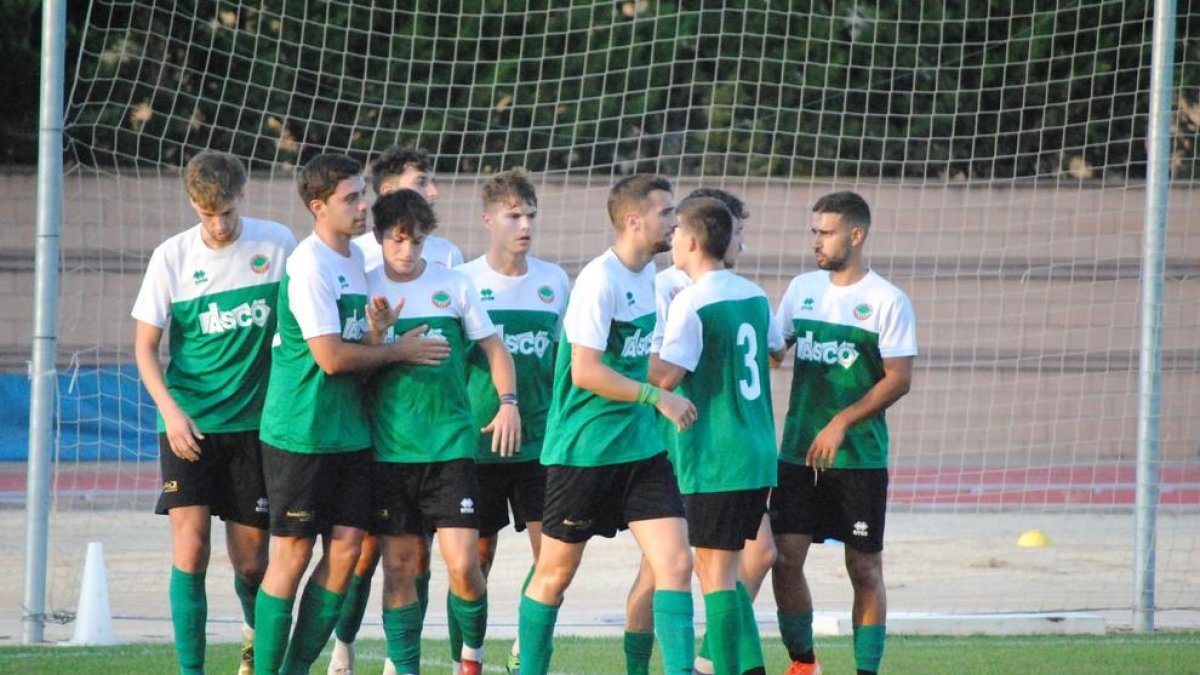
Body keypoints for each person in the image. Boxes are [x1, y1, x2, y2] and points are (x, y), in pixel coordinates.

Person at [252, 153, 450, 675]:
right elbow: (332, 358)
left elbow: (356, 346)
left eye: (364, 193)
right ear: (318, 206)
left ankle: (295, 670)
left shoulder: (355, 266)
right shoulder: (309, 264)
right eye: (351, 198)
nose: (365, 205)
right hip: (301, 433)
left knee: (344, 557)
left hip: (350, 435)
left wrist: (380, 332)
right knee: (290, 559)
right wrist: (398, 350)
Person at [517, 174, 698, 675]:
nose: (676, 221)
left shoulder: (649, 278)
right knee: (554, 575)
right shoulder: (600, 280)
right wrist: (656, 395)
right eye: (666, 213)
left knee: (677, 564)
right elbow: (586, 371)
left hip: (638, 450)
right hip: (584, 452)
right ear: (636, 221)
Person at [132, 150, 297, 675]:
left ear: (240, 197)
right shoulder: (171, 257)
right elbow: (144, 348)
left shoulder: (276, 245)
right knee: (191, 547)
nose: (220, 224)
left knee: (252, 563)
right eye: (208, 215)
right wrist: (171, 413)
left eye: (226, 211)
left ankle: (254, 644)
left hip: (255, 427)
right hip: (189, 425)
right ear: (193, 205)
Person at [364, 188, 521, 675]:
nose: (407, 252)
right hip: (389, 452)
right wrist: (380, 334)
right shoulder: (365, 288)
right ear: (380, 239)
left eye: (416, 241)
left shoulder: (453, 285)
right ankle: (403, 666)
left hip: (451, 447)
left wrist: (508, 403)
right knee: (400, 568)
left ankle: (470, 658)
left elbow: (495, 349)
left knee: (464, 569)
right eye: (396, 241)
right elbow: (352, 369)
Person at [624, 188, 780, 675]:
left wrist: (616, 359)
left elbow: (666, 376)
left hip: (712, 453)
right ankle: (742, 668)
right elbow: (774, 348)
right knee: (724, 571)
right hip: (756, 449)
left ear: (689, 242)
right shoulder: (754, 293)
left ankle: (720, 669)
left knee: (713, 574)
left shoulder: (691, 302)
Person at [770, 191, 917, 675]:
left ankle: (866, 671)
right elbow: (774, 351)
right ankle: (804, 663)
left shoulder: (887, 301)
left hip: (859, 458)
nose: (817, 241)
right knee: (784, 560)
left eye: (826, 232)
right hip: (797, 453)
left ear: (856, 235)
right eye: (814, 232)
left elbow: (898, 378)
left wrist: (841, 421)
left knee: (864, 568)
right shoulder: (802, 289)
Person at [330, 144, 456, 675]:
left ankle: (398, 659)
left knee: (415, 554)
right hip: (368, 431)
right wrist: (385, 340)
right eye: (420, 182)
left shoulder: (444, 256)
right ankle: (343, 646)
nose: (432, 191)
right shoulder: (356, 258)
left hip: (426, 433)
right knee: (361, 551)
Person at [456, 169, 570, 674]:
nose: (525, 224)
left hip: (541, 445)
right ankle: (470, 656)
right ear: (488, 220)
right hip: (477, 445)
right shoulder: (466, 282)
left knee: (553, 561)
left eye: (530, 215)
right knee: (473, 561)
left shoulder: (554, 281)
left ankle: (527, 652)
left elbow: (565, 362)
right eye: (514, 215)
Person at [352, 145, 463, 270]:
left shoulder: (447, 254)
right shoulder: (357, 254)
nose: (433, 192)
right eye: (420, 182)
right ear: (388, 192)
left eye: (433, 183)